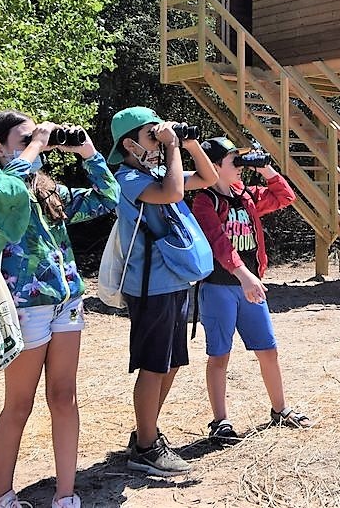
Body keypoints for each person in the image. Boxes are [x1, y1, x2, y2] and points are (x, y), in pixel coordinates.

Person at [0, 110, 120, 508]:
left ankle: (66, 496)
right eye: (25, 138)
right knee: (20, 403)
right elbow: (3, 196)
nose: (39, 145)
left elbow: (107, 198)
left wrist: (87, 150)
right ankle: (3, 497)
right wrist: (35, 147)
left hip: (67, 302)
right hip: (26, 307)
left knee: (64, 397)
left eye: (38, 138)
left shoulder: (47, 189)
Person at [107, 107, 218, 476]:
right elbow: (172, 193)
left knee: (170, 363)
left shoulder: (155, 172)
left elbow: (208, 176)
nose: (158, 142)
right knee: (154, 366)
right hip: (149, 286)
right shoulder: (127, 179)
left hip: (172, 281)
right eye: (150, 136)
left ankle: (146, 433)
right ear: (128, 144)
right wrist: (172, 147)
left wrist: (187, 142)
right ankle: (144, 448)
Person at [191, 137, 311, 442]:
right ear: (214, 166)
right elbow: (218, 243)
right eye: (235, 161)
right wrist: (244, 275)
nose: (241, 168)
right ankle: (221, 421)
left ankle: (280, 410)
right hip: (220, 287)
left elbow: (284, 196)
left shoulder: (244, 195)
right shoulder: (204, 201)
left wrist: (267, 169)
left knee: (268, 350)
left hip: (249, 286)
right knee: (220, 355)